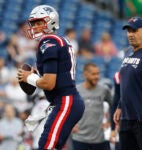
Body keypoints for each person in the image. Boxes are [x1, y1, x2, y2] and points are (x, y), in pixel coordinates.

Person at [17, 5, 85, 150]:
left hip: (65, 101)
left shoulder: (49, 42)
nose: (34, 27)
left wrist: (29, 78)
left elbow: (49, 84)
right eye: (33, 23)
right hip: (64, 102)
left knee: (46, 146)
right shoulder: (58, 40)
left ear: (50, 22)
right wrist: (36, 75)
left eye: (39, 22)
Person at [113, 17, 142, 150]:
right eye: (128, 31)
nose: (130, 34)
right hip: (126, 118)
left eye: (134, 30)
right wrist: (120, 106)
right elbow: (127, 84)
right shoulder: (128, 54)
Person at [72, 63, 111, 150]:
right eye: (93, 74)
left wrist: (110, 122)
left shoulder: (104, 90)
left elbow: (114, 106)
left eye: (97, 73)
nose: (97, 76)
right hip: (79, 138)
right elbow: (67, 109)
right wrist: (70, 124)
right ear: (85, 75)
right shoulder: (75, 91)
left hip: (100, 139)